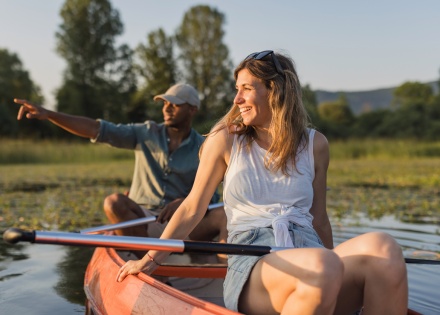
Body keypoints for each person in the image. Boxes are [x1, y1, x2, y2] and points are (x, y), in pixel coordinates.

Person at [116, 51, 408, 314]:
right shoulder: (226, 140)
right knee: (323, 265)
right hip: (253, 261)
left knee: (384, 248)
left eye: (246, 89)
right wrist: (151, 260)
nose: (236, 99)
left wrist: (333, 277)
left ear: (275, 90)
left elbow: (319, 220)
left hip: (312, 255)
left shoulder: (315, 144)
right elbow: (193, 207)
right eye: (236, 90)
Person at [14, 83, 227, 248]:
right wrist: (50, 114)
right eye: (165, 103)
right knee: (114, 202)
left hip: (182, 222)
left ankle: (224, 271)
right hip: (141, 222)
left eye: (175, 103)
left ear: (192, 110)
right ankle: (154, 269)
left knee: (222, 214)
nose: (167, 108)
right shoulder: (145, 132)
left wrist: (184, 202)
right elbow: (95, 129)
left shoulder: (205, 146)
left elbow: (212, 200)